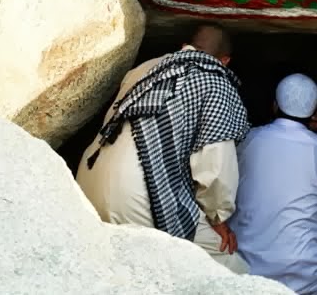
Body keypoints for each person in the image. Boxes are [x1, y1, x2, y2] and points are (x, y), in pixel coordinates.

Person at [76, 24, 250, 274]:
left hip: (88, 179)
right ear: (225, 61)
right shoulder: (216, 81)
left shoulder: (144, 68)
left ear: (184, 47)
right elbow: (215, 164)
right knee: (232, 268)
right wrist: (218, 217)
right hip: (137, 193)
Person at [230, 73, 317, 295]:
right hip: (303, 272)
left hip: (245, 263)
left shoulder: (249, 138)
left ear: (275, 106)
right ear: (314, 112)